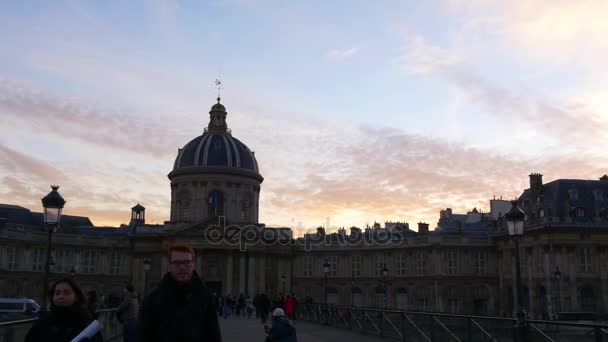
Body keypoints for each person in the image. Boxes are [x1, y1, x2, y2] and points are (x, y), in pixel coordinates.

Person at [136, 244, 222, 342]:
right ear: (169, 265)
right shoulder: (152, 299)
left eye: (187, 262)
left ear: (193, 264)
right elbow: (143, 336)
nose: (182, 267)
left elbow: (214, 335)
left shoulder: (205, 296)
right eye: (177, 263)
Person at [25, 277, 103, 342]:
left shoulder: (88, 323)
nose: (61, 296)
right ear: (53, 297)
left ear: (76, 297)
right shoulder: (42, 323)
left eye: (67, 293)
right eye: (57, 293)